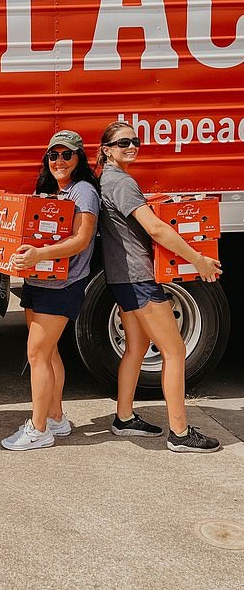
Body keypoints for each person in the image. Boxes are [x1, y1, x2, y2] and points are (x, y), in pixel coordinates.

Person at [97, 121, 221, 453]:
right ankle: (180, 434)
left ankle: (123, 418)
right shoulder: (121, 182)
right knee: (175, 351)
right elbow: (155, 229)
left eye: (135, 141)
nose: (131, 146)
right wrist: (198, 259)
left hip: (122, 279)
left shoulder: (107, 180)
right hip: (138, 277)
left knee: (135, 349)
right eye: (123, 143)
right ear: (107, 149)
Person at [0, 130, 100, 450]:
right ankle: (56, 417)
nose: (59, 161)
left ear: (79, 158)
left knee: (37, 354)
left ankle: (39, 429)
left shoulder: (83, 192)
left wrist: (39, 255)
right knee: (50, 352)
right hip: (39, 282)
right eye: (53, 155)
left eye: (66, 154)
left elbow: (82, 239)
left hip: (62, 285)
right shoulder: (52, 190)